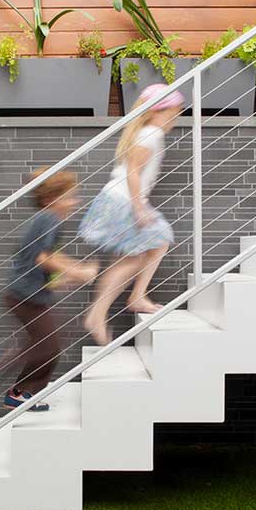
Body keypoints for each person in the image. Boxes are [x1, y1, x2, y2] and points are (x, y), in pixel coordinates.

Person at [79, 83, 184, 345]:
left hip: (120, 200)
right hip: (122, 201)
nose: (175, 116)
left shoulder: (149, 133)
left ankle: (129, 299)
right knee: (148, 247)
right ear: (155, 112)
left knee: (148, 248)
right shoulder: (150, 135)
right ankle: (103, 312)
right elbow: (133, 171)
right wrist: (138, 206)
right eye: (172, 111)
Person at [3, 168, 99, 412]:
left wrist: (72, 270)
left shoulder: (44, 219)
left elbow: (46, 256)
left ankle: (24, 385)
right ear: (50, 199)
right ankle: (20, 393)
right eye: (69, 196)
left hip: (26, 294)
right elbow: (43, 258)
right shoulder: (49, 219)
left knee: (46, 343)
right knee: (49, 347)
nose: (74, 202)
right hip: (25, 296)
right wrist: (79, 272)